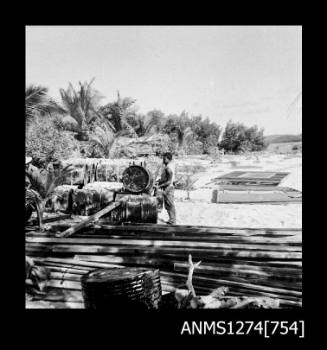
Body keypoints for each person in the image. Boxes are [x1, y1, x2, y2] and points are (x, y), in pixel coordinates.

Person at [156, 152, 176, 224]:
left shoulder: (168, 168)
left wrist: (160, 186)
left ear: (168, 159)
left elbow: (169, 181)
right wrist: (159, 181)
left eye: (164, 159)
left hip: (169, 188)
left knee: (170, 204)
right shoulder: (168, 166)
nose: (163, 160)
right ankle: (171, 220)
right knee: (168, 205)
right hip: (167, 187)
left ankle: (173, 220)